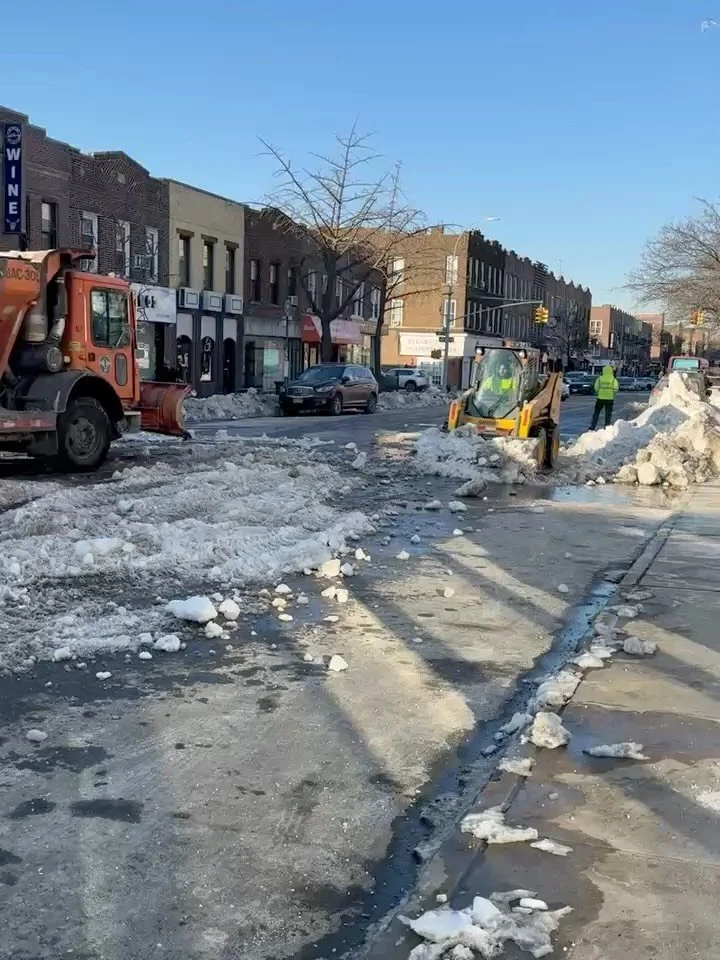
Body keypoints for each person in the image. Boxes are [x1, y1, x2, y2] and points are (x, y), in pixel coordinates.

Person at [590, 365, 619, 429]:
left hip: (600, 398)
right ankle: (606, 427)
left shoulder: (600, 378)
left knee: (596, 413)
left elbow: (596, 387)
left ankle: (593, 426)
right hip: (609, 398)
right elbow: (616, 388)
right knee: (608, 414)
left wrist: (598, 393)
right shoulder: (613, 379)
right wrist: (613, 393)